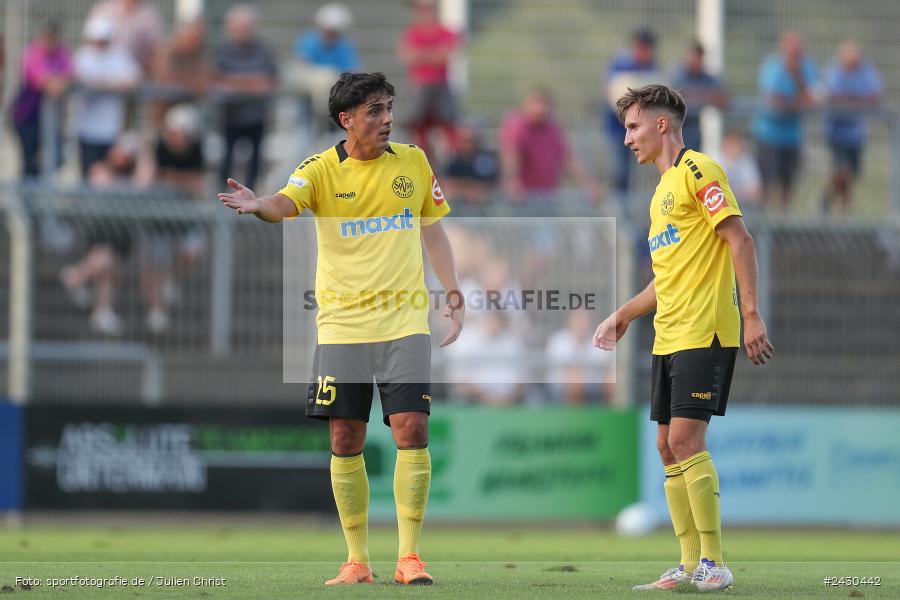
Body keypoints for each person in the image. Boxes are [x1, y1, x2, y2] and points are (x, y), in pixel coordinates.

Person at [218, 72, 463, 586]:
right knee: (345, 436)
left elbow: (432, 228)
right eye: (374, 110)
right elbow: (285, 204)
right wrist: (258, 204)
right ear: (346, 119)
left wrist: (453, 289)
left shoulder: (414, 162)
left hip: (404, 322)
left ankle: (410, 557)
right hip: (343, 327)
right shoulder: (320, 170)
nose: (387, 118)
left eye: (389, 107)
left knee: (412, 430)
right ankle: (356, 561)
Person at [593, 85, 774, 592]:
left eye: (633, 127)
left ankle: (714, 562)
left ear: (662, 125)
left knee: (684, 440)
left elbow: (740, 238)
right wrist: (625, 314)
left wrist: (753, 313)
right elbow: (665, 277)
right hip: (668, 333)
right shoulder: (659, 195)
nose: (628, 138)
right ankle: (688, 562)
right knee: (665, 446)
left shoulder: (700, 172)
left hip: (706, 327)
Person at [498, 87, 601, 210]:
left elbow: (568, 160)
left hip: (548, 198)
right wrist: (511, 181)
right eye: (536, 103)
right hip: (522, 199)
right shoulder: (517, 125)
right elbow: (511, 154)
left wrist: (588, 185)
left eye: (544, 104)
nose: (540, 109)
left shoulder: (553, 128)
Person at [214, 4, 278, 191]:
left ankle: (250, 196)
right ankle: (222, 196)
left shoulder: (264, 50)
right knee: (227, 159)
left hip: (256, 116)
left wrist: (237, 82)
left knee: (255, 161)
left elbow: (269, 81)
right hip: (231, 115)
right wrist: (249, 82)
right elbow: (217, 79)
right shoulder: (224, 50)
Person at [752, 31, 817, 212]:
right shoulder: (771, 66)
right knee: (766, 182)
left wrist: (796, 76)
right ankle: (763, 221)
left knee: (787, 183)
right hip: (768, 135)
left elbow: (812, 98)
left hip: (792, 137)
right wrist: (797, 102)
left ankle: (782, 221)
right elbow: (773, 100)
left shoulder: (807, 68)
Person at [73, 17, 140, 179]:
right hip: (86, 128)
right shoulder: (82, 56)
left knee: (112, 173)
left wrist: (102, 85)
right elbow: (82, 79)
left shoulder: (119, 56)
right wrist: (110, 84)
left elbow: (133, 78)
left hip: (112, 129)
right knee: (88, 172)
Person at [822, 40, 883, 216]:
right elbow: (834, 97)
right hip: (836, 133)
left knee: (850, 177)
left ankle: (834, 206)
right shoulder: (834, 71)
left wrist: (850, 100)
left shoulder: (866, 71)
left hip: (855, 135)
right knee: (842, 173)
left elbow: (873, 96)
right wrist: (857, 101)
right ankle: (842, 211)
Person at [398, 0, 460, 159]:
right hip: (420, 85)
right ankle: (421, 158)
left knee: (447, 123)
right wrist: (434, 54)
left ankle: (450, 162)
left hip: (440, 84)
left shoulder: (444, 31)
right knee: (419, 125)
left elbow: (445, 56)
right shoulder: (412, 32)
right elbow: (408, 56)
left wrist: (422, 55)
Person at [12, 22, 73, 179]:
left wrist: (59, 82)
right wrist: (59, 82)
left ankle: (39, 186)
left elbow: (70, 75)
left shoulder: (62, 53)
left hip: (52, 119)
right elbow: (46, 84)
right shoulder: (32, 54)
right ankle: (29, 200)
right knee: (29, 161)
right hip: (28, 117)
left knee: (58, 156)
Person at [604, 28, 658, 199]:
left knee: (642, 175)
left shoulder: (652, 67)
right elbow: (611, 94)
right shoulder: (621, 65)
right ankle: (619, 209)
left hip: (643, 131)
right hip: (619, 130)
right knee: (621, 172)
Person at [671, 42, 727, 153]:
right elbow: (675, 95)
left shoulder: (707, 78)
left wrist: (693, 95)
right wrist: (705, 95)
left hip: (694, 130)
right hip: (675, 129)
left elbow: (723, 100)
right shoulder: (677, 75)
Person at [88, 0, 162, 74]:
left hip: (138, 70)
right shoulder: (104, 9)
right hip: (103, 68)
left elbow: (155, 48)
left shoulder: (149, 15)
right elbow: (92, 39)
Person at [441, 122, 499, 207]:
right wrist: (467, 189)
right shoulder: (454, 163)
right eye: (464, 141)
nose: (467, 145)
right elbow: (446, 183)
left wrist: (476, 189)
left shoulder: (485, 160)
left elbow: (493, 183)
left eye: (471, 141)